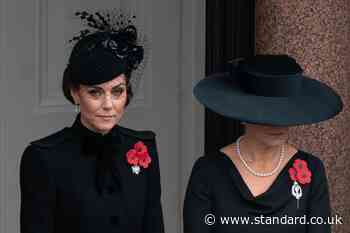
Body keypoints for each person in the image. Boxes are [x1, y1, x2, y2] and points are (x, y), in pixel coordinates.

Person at [19, 10, 164, 233]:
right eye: (95, 93)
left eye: (117, 92)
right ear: (75, 93)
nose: (108, 104)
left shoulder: (143, 148)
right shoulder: (43, 158)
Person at [183, 55, 343, 233]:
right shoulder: (208, 171)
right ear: (242, 113)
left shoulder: (312, 169)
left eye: (285, 113)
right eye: (266, 114)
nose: (277, 123)